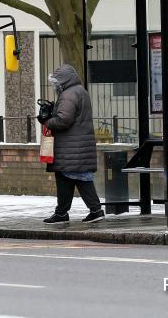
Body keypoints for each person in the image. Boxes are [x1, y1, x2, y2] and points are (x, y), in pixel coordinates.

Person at [42, 64, 105, 224]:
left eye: (57, 82)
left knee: (80, 178)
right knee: (66, 177)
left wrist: (47, 120)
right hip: (75, 147)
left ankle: (96, 211)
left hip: (72, 148)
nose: (55, 86)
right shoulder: (79, 91)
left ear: (64, 80)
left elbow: (64, 120)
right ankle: (62, 213)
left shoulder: (69, 94)